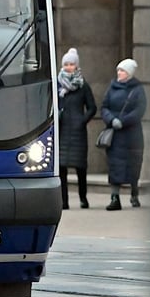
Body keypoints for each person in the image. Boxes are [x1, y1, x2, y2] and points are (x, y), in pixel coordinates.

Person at [101, 58, 147, 210]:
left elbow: (140, 110)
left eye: (122, 71)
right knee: (115, 166)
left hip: (132, 135)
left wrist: (124, 121)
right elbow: (104, 107)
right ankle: (115, 197)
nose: (119, 73)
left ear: (129, 73)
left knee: (133, 166)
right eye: (118, 70)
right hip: (115, 136)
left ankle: (134, 194)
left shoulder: (137, 89)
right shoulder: (112, 87)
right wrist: (111, 119)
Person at [57, 48, 96, 209]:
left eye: (71, 64)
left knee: (80, 167)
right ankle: (64, 201)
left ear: (76, 65)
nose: (68, 67)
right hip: (62, 130)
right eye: (66, 64)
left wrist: (82, 120)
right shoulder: (58, 83)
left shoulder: (83, 85)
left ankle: (83, 198)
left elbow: (92, 107)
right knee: (61, 168)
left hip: (78, 132)